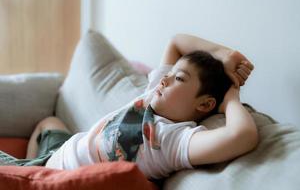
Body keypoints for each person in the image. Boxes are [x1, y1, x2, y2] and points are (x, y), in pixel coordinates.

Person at [0, 33, 258, 179]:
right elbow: (176, 42)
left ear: (205, 104)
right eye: (172, 72)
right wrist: (224, 54)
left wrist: (231, 96)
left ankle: (25, 172)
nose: (166, 78)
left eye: (179, 78)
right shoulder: (153, 94)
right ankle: (28, 164)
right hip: (53, 156)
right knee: (49, 122)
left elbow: (241, 136)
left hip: (54, 177)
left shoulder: (174, 141)